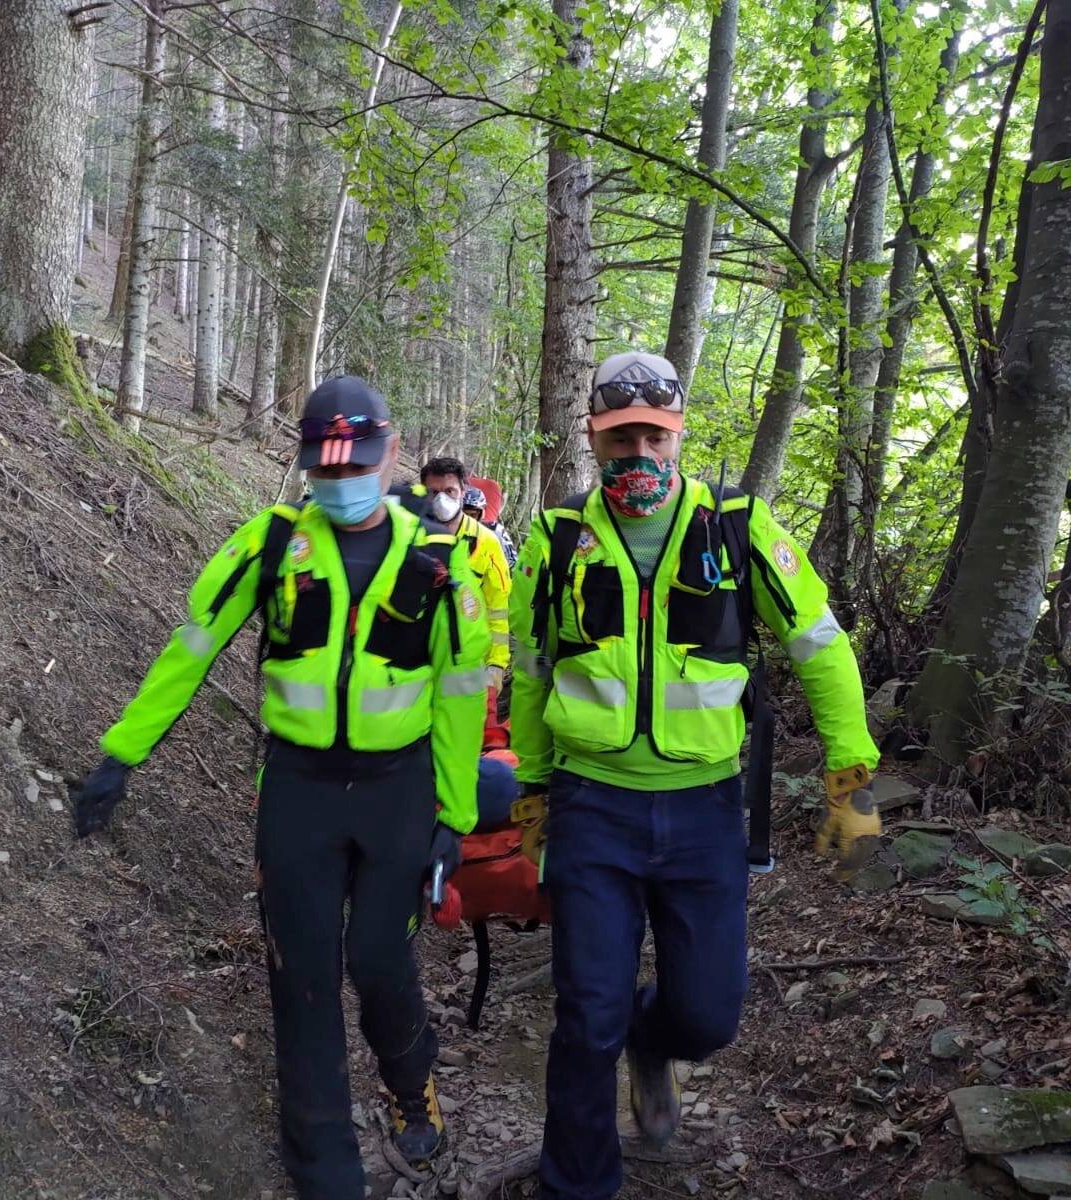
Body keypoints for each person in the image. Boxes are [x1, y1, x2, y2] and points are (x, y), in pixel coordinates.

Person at [69, 376, 489, 1198]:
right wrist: (123, 753)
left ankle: (411, 1081)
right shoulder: (270, 544)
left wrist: (455, 818)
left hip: (397, 791)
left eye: (356, 466)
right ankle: (327, 1170)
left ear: (390, 452)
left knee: (377, 958)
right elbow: (194, 643)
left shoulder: (440, 562)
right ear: (305, 465)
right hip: (298, 789)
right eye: (324, 470)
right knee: (301, 978)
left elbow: (461, 693)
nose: (339, 483)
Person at [509, 350, 881, 1200]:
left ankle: (656, 1040)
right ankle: (578, 1185)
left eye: (654, 435)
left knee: (709, 1015)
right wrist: (532, 789)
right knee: (584, 1016)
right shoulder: (558, 538)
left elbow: (821, 649)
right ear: (595, 442)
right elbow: (529, 671)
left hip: (705, 811)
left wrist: (849, 779)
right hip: (592, 805)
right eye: (620, 437)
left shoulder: (738, 529)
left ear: (678, 434)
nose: (638, 453)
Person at [416, 457, 512, 728]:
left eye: (450, 492)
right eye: (433, 492)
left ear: (462, 492)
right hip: (416, 662)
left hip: (468, 665)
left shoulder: (487, 544)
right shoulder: (408, 536)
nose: (441, 499)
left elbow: (499, 609)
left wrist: (496, 665)